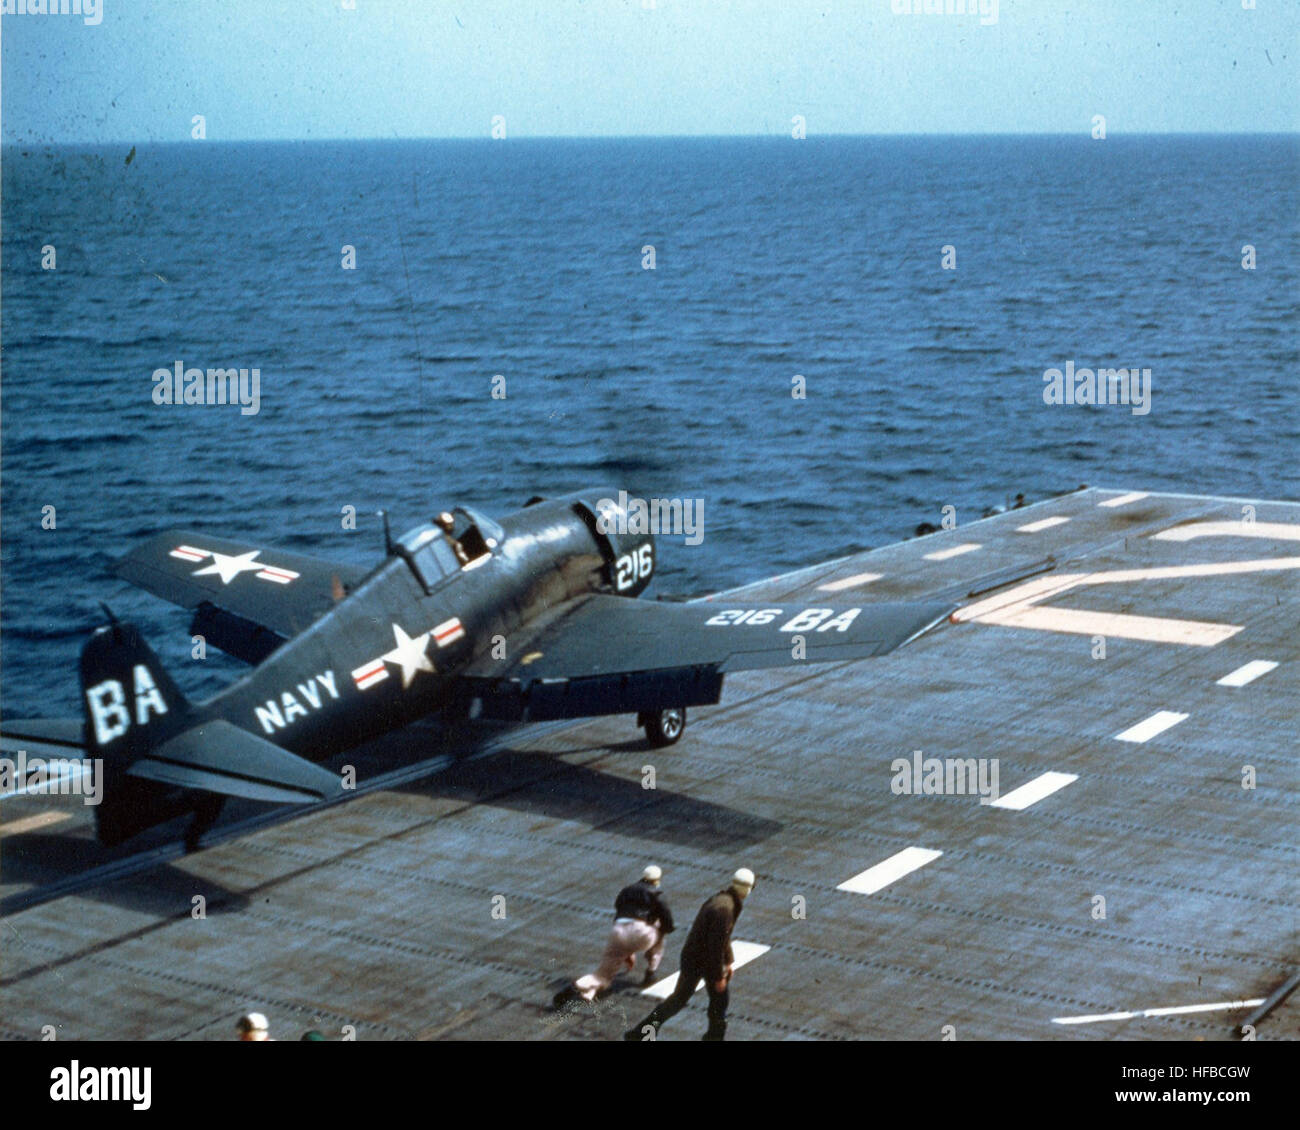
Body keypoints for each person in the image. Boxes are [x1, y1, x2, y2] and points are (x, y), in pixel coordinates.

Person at [624, 868, 754, 1041]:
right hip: (702, 960)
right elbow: (715, 946)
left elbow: (723, 937)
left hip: (694, 957)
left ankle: (640, 1033)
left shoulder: (723, 900)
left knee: (680, 1001)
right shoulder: (725, 908)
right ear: (747, 889)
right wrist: (718, 977)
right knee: (714, 999)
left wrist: (728, 961)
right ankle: (713, 1038)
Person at [556, 866, 675, 1007]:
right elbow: (667, 919)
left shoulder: (626, 891)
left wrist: (627, 951)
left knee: (602, 975)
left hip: (618, 932)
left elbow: (619, 908)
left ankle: (580, 985)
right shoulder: (658, 894)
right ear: (657, 880)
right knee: (660, 931)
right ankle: (650, 973)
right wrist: (665, 930)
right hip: (642, 934)